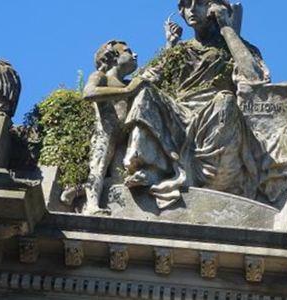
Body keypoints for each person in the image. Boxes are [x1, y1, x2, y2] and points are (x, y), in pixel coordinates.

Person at [122, 0, 274, 209]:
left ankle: (208, 177)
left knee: (225, 100)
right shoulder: (179, 51)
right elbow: (144, 80)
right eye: (186, 4)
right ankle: (149, 166)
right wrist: (170, 46)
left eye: (200, 3)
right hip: (178, 113)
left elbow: (255, 79)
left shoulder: (234, 47)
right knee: (146, 94)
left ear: (215, 8)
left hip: (212, 115)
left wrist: (227, 28)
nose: (192, 9)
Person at [61, 40, 144, 213]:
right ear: (113, 57)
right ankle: (91, 207)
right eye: (128, 51)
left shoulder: (129, 81)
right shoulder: (101, 77)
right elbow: (89, 93)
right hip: (105, 132)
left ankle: (78, 189)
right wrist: (127, 92)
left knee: (118, 178)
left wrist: (170, 44)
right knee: (98, 167)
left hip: (123, 135)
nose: (135, 55)